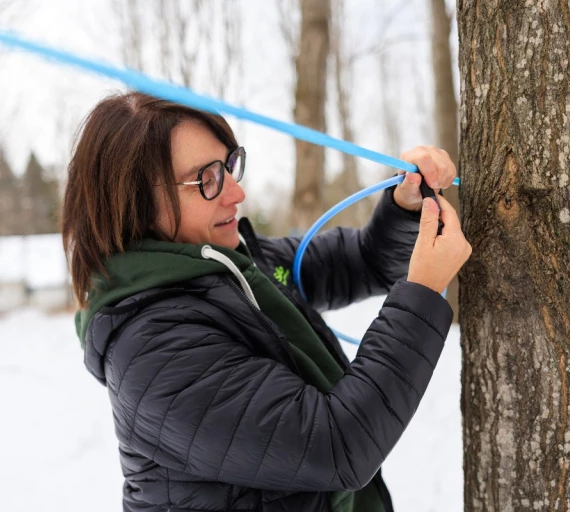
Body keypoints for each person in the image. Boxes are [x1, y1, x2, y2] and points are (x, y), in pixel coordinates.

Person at [62, 91, 471, 512]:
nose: (236, 194)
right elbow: (337, 445)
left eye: (230, 166)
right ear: (135, 205)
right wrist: (421, 294)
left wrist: (405, 206)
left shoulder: (237, 265)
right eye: (207, 179)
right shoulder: (153, 351)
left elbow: (363, 261)